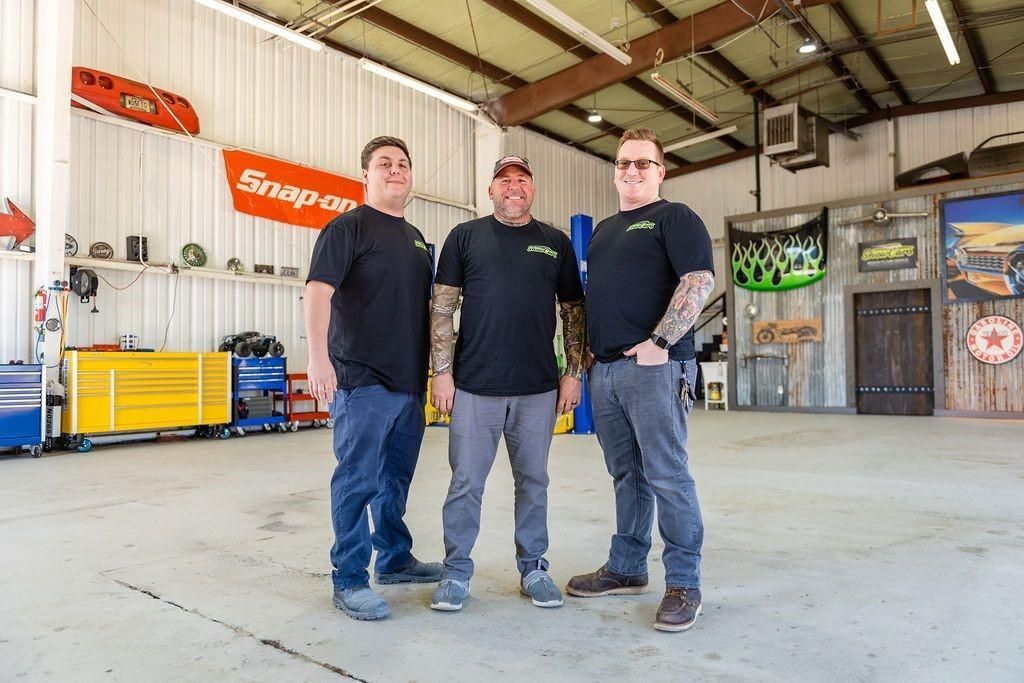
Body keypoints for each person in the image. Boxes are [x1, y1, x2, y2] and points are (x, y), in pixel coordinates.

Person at [566, 128, 715, 632]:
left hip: (655, 367)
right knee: (626, 475)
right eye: (624, 163)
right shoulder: (604, 231)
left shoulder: (675, 217)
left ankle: (684, 583)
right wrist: (588, 353)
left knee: (667, 474)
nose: (632, 171)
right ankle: (628, 567)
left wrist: (660, 343)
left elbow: (697, 281)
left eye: (643, 163)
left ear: (661, 171)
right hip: (605, 370)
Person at [428, 155, 586, 612]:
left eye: (522, 180)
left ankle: (533, 567)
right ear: (491, 190)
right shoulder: (465, 237)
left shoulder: (555, 242)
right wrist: (442, 371)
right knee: (465, 483)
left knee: (533, 481)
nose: (513, 187)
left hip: (537, 388)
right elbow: (441, 309)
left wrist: (572, 373)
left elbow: (573, 312)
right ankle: (456, 573)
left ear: (532, 190)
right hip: (475, 386)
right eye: (504, 180)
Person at [304, 136, 442, 621]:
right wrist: (318, 359)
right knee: (357, 480)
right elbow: (318, 292)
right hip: (361, 378)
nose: (396, 170)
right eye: (385, 163)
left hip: (409, 382)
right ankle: (349, 578)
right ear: (365, 174)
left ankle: (395, 558)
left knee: (394, 479)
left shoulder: (417, 239)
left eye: (403, 163)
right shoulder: (347, 228)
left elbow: (429, 309)